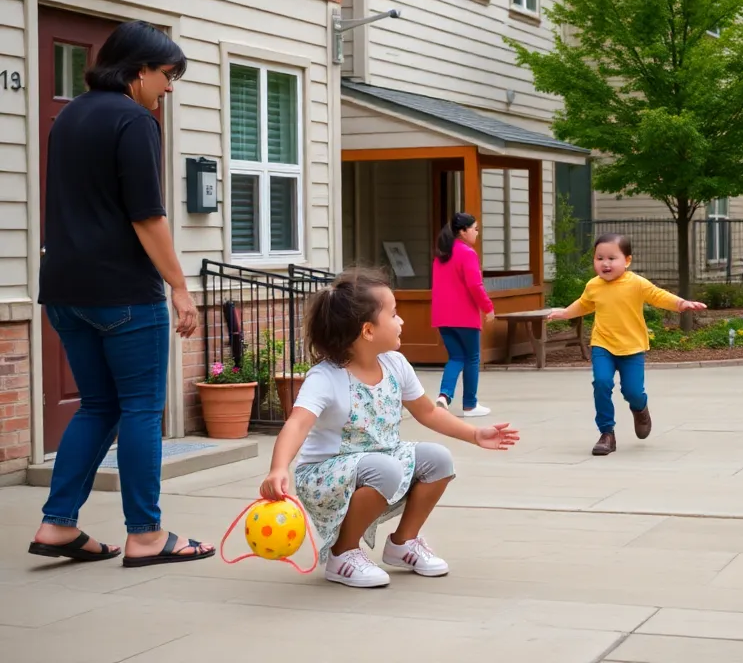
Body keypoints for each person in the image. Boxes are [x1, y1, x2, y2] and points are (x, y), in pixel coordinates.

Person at [28, 20, 214, 568]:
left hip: (64, 291)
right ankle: (146, 534)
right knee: (140, 410)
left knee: (98, 405)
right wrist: (180, 287)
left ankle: (58, 525)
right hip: (124, 293)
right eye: (166, 74)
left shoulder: (69, 117)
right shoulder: (134, 120)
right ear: (137, 70)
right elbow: (147, 215)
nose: (169, 87)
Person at [259, 267, 519, 588]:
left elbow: (428, 412)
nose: (402, 321)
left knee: (438, 459)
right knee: (386, 468)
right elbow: (297, 423)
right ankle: (343, 554)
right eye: (394, 314)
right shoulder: (325, 377)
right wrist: (278, 468)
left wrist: (475, 435)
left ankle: (403, 543)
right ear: (368, 331)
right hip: (326, 475)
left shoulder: (395, 364)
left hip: (381, 462)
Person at [547, 234, 706, 456]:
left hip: (632, 348)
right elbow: (584, 304)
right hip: (603, 345)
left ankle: (640, 409)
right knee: (601, 383)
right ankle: (607, 434)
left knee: (633, 391)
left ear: (627, 260)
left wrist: (680, 303)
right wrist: (564, 313)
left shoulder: (636, 283)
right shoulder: (594, 285)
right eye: (599, 258)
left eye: (612, 258)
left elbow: (657, 295)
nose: (605, 263)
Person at [431, 212, 494, 417]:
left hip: (442, 316)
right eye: (475, 229)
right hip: (465, 316)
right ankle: (470, 405)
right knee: (472, 358)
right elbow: (475, 285)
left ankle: (444, 395)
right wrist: (488, 307)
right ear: (463, 231)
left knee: (456, 357)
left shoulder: (441, 255)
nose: (477, 233)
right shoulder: (467, 253)